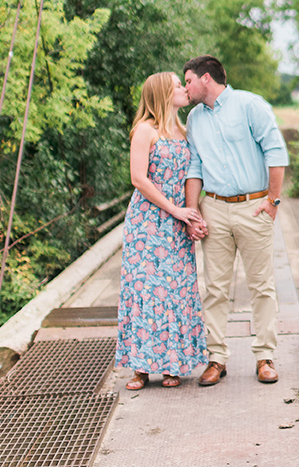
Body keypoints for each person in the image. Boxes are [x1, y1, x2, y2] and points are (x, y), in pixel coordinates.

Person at [181, 55, 289, 386]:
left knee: (261, 285)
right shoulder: (194, 119)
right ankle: (216, 359)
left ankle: (265, 356)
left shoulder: (249, 105)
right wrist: (192, 213)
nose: (185, 88)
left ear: (206, 79)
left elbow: (275, 151)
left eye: (188, 81)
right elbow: (195, 167)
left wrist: (272, 201)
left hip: (253, 206)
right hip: (214, 207)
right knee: (214, 288)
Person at [115, 72, 208, 390]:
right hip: (148, 223)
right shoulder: (145, 130)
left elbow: (191, 176)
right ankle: (140, 367)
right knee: (145, 291)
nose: (184, 88)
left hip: (177, 221)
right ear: (162, 94)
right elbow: (139, 179)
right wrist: (175, 210)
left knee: (176, 292)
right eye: (178, 85)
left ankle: (172, 364)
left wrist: (193, 215)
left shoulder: (183, 131)